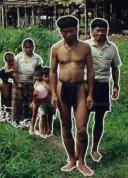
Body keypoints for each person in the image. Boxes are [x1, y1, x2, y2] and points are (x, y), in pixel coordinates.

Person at [50, 15, 95, 176]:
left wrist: (90, 94)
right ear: (60, 32)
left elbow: (90, 71)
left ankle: (81, 161)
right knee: (66, 127)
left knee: (82, 129)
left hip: (80, 88)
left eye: (71, 31)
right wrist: (54, 93)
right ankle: (71, 159)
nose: (68, 34)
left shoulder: (85, 48)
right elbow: (52, 71)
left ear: (77, 30)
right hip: (62, 88)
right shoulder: (56, 48)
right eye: (64, 31)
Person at [84, 18, 122, 162]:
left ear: (107, 31)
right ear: (91, 31)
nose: (100, 33)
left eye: (102, 30)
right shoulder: (85, 46)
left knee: (99, 119)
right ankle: (81, 149)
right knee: (83, 120)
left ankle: (94, 149)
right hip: (86, 86)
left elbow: (115, 68)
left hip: (103, 86)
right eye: (97, 30)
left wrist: (116, 86)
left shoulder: (112, 47)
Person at [11, 38, 43, 126]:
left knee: (30, 103)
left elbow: (39, 71)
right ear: (23, 48)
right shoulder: (18, 57)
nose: (27, 49)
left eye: (29, 47)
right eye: (25, 48)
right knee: (18, 102)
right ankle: (17, 121)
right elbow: (13, 67)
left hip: (31, 83)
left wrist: (35, 82)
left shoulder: (37, 58)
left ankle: (29, 120)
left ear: (33, 47)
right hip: (19, 83)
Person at [35, 66, 56, 137]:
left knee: (50, 117)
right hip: (43, 102)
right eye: (45, 76)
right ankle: (42, 131)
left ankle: (49, 130)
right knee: (43, 117)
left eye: (48, 76)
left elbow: (55, 93)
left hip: (51, 102)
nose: (47, 78)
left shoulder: (53, 84)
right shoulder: (40, 83)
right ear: (42, 76)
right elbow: (35, 93)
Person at [29, 65, 44, 134]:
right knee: (34, 115)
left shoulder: (45, 82)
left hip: (43, 101)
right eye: (36, 76)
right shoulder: (36, 82)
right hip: (35, 100)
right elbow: (34, 93)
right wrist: (32, 102)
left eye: (39, 75)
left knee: (43, 115)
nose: (38, 77)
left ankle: (42, 130)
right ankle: (32, 128)